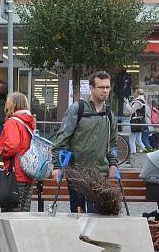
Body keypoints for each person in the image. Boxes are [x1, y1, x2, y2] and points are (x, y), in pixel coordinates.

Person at [52, 71, 119, 213]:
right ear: (92, 88)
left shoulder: (109, 115)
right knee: (78, 217)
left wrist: (113, 164)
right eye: (101, 87)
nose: (105, 91)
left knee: (98, 218)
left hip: (100, 174)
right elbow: (61, 141)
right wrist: (57, 166)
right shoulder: (77, 109)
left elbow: (112, 143)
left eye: (107, 87)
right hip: (77, 173)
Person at [0, 92, 35, 212]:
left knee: (10, 217)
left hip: (13, 175)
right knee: (22, 216)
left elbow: (12, 146)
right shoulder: (29, 122)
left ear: (12, 105)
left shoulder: (13, 122)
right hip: (27, 175)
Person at [128, 89, 152, 154]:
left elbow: (131, 111)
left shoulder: (138, 101)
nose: (134, 94)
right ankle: (146, 151)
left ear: (138, 93)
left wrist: (127, 103)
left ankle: (134, 155)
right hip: (140, 122)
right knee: (138, 140)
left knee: (132, 141)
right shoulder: (142, 101)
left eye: (135, 92)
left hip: (136, 122)